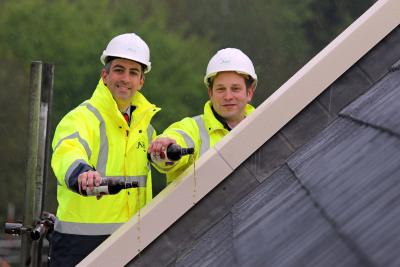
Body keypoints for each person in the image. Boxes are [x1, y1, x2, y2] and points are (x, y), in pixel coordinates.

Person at [49, 33, 160, 266]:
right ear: (105, 75)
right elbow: (68, 150)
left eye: (133, 73)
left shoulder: (147, 129)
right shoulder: (82, 118)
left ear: (141, 81)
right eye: (119, 70)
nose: (125, 79)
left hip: (134, 243)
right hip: (81, 245)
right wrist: (81, 173)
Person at [148, 48, 256, 183]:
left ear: (250, 93)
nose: (228, 96)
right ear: (210, 93)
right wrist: (166, 147)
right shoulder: (193, 128)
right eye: (221, 89)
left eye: (235, 89)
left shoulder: (264, 129)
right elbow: (178, 136)